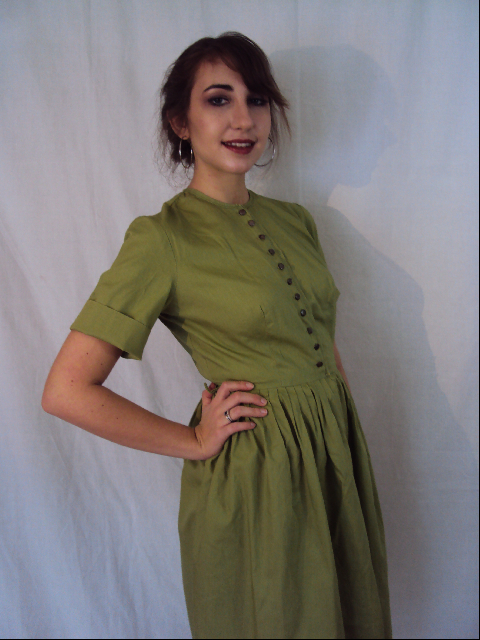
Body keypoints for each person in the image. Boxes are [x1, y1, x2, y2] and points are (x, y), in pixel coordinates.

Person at [42, 31, 392, 640]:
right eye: (219, 99)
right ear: (181, 121)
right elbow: (66, 389)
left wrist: (337, 435)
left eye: (257, 100)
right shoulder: (162, 239)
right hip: (258, 473)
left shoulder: (297, 221)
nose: (243, 119)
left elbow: (319, 336)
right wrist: (194, 439)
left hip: (333, 455)